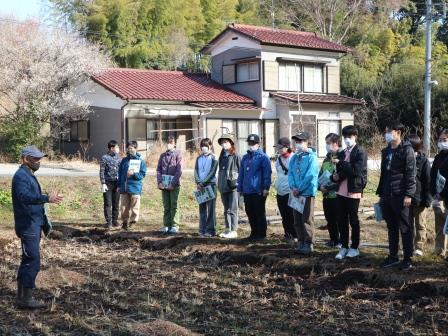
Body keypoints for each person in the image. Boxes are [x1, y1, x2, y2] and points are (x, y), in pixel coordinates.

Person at [12, 145, 63, 309]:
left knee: (28, 259)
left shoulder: (27, 174)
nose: (39, 161)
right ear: (25, 159)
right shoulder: (21, 176)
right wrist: (45, 198)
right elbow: (24, 197)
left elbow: (30, 196)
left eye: (40, 158)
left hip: (33, 224)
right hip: (28, 225)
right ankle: (26, 299)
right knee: (33, 260)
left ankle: (21, 296)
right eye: (35, 158)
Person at [377, 121, 416, 270]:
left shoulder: (407, 150)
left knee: (405, 227)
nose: (386, 134)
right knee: (391, 226)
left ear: (398, 132)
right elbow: (384, 174)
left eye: (389, 131)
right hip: (387, 194)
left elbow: (411, 174)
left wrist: (409, 194)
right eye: (386, 131)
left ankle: (408, 258)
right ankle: (393, 256)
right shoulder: (386, 151)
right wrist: (381, 193)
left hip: (401, 194)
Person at [332, 125, 368, 260]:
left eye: (350, 136)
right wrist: (334, 177)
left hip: (353, 191)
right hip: (341, 191)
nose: (347, 139)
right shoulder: (343, 152)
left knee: (353, 220)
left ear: (355, 137)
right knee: (341, 219)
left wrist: (342, 163)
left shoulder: (360, 152)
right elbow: (340, 172)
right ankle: (344, 246)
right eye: (345, 137)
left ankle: (354, 247)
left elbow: (356, 171)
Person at [288, 131, 319, 254]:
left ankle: (309, 242)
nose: (298, 144)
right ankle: (300, 241)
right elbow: (290, 173)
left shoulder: (312, 157)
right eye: (296, 141)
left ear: (306, 142)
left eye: (300, 141)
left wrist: (299, 188)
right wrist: (293, 187)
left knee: (306, 218)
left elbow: (310, 175)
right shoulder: (294, 157)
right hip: (295, 193)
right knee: (297, 219)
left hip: (306, 192)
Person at [237, 134, 272, 240]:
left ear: (258, 144)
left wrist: (266, 188)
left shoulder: (263, 157)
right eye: (249, 143)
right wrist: (240, 188)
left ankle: (261, 234)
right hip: (247, 190)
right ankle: (254, 232)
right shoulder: (245, 157)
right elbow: (241, 173)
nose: (251, 145)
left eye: (253, 143)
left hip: (258, 190)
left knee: (259, 212)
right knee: (250, 212)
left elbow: (267, 173)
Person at [408, 134, 432, 256]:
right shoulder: (404, 159)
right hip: (407, 198)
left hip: (420, 198)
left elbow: (428, 181)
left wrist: (427, 199)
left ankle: (419, 247)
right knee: (407, 224)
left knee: (420, 224)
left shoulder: (424, 161)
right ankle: (408, 246)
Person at [117, 140, 147, 230]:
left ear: (136, 148)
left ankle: (133, 222)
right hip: (124, 187)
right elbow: (120, 173)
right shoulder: (124, 160)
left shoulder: (141, 161)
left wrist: (133, 174)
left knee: (135, 206)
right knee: (124, 206)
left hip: (135, 187)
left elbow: (142, 175)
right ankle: (124, 222)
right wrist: (119, 185)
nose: (130, 150)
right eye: (128, 148)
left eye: (131, 148)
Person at [318, 133, 341, 248]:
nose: (326, 146)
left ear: (336, 143)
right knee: (330, 219)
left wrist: (328, 188)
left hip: (337, 196)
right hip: (326, 196)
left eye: (328, 143)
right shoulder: (326, 159)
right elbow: (320, 175)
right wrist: (320, 187)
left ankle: (340, 241)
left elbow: (341, 179)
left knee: (339, 220)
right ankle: (333, 239)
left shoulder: (342, 157)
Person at [157, 136, 183, 234]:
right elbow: (158, 169)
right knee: (166, 205)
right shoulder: (162, 155)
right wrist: (159, 182)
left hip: (174, 185)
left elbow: (179, 170)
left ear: (174, 143)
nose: (169, 144)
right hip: (164, 185)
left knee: (174, 205)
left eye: (171, 142)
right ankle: (167, 225)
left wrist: (173, 183)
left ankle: (175, 225)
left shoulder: (178, 154)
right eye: (167, 142)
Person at [217, 134, 241, 239]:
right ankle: (228, 229)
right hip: (223, 186)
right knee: (226, 209)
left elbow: (241, 171)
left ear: (231, 143)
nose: (224, 144)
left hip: (233, 187)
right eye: (222, 142)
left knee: (233, 209)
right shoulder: (222, 156)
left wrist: (237, 184)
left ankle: (234, 230)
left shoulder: (236, 155)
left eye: (226, 142)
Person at [273, 137, 297, 241]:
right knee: (284, 215)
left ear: (287, 147)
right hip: (280, 192)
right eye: (277, 147)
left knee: (291, 215)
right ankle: (287, 234)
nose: (278, 149)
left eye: (280, 147)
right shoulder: (278, 159)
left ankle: (295, 235)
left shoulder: (293, 158)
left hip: (290, 191)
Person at [194, 138, 218, 237]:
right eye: (202, 146)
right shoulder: (198, 158)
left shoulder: (214, 158)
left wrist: (203, 183)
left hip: (210, 185)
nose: (204, 147)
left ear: (210, 146)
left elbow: (213, 172)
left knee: (211, 209)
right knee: (202, 209)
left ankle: (210, 230)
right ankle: (202, 229)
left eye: (206, 145)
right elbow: (195, 171)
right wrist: (198, 182)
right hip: (200, 186)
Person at [430, 129, 448, 258]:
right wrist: (434, 192)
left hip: (446, 195)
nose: (442, 142)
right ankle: (439, 249)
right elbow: (432, 176)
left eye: (445, 140)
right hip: (438, 195)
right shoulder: (438, 157)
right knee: (440, 224)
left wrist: (443, 192)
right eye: (440, 140)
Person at [100, 140, 121, 229]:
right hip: (108, 183)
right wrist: (103, 183)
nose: (118, 149)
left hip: (117, 183)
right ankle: (109, 222)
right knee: (108, 203)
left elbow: (120, 170)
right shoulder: (104, 157)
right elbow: (102, 171)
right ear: (112, 148)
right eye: (117, 147)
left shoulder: (118, 157)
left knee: (116, 202)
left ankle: (115, 220)